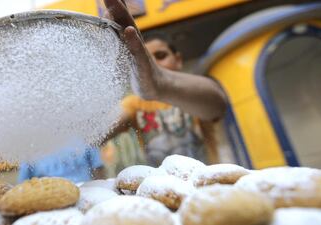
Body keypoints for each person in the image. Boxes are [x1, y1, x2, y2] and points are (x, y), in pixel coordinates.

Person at [101, 0, 227, 166]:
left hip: (206, 188)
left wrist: (161, 82)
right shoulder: (135, 104)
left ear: (178, 59)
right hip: (161, 189)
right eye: (146, 62)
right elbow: (97, 134)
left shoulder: (193, 91)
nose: (154, 65)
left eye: (161, 56)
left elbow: (216, 104)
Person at [18, 139, 105, 183]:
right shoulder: (30, 147)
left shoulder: (82, 133)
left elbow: (98, 168)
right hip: (50, 204)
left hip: (87, 194)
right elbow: (23, 183)